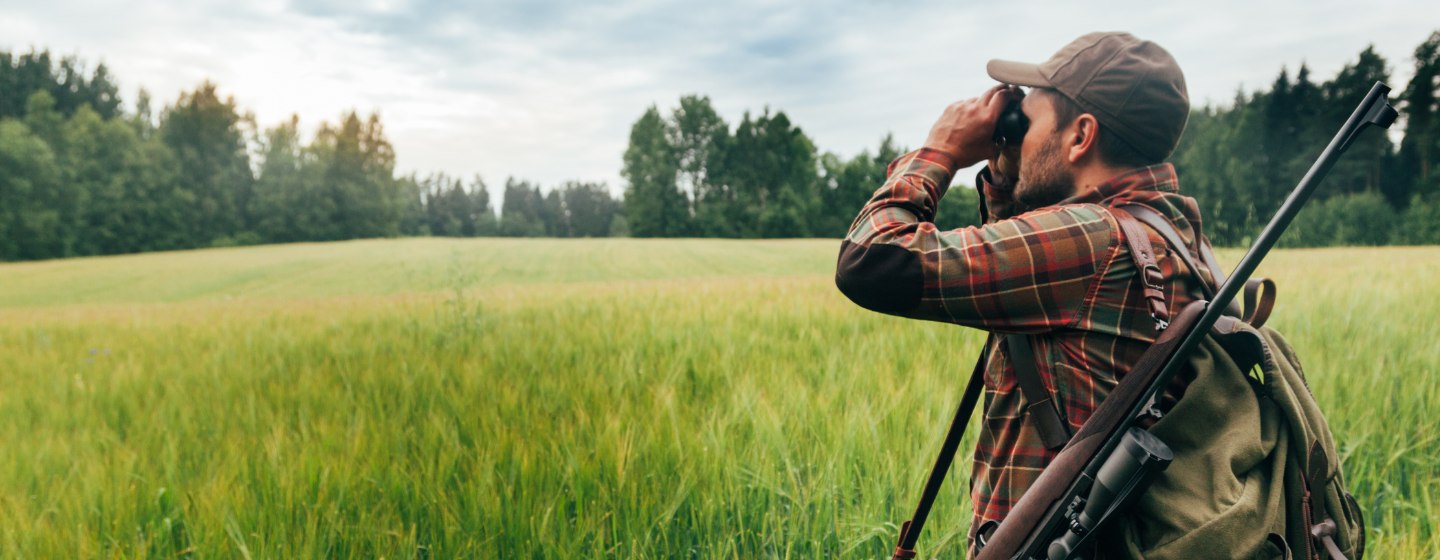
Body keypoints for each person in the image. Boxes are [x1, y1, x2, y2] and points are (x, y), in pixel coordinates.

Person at [834, 31, 1216, 553]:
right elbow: (1021, 286)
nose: (1013, 134)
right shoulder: (1176, 235)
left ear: (1080, 136)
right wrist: (1008, 176)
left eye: (1027, 122)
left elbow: (870, 261)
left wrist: (939, 151)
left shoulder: (1089, 241)